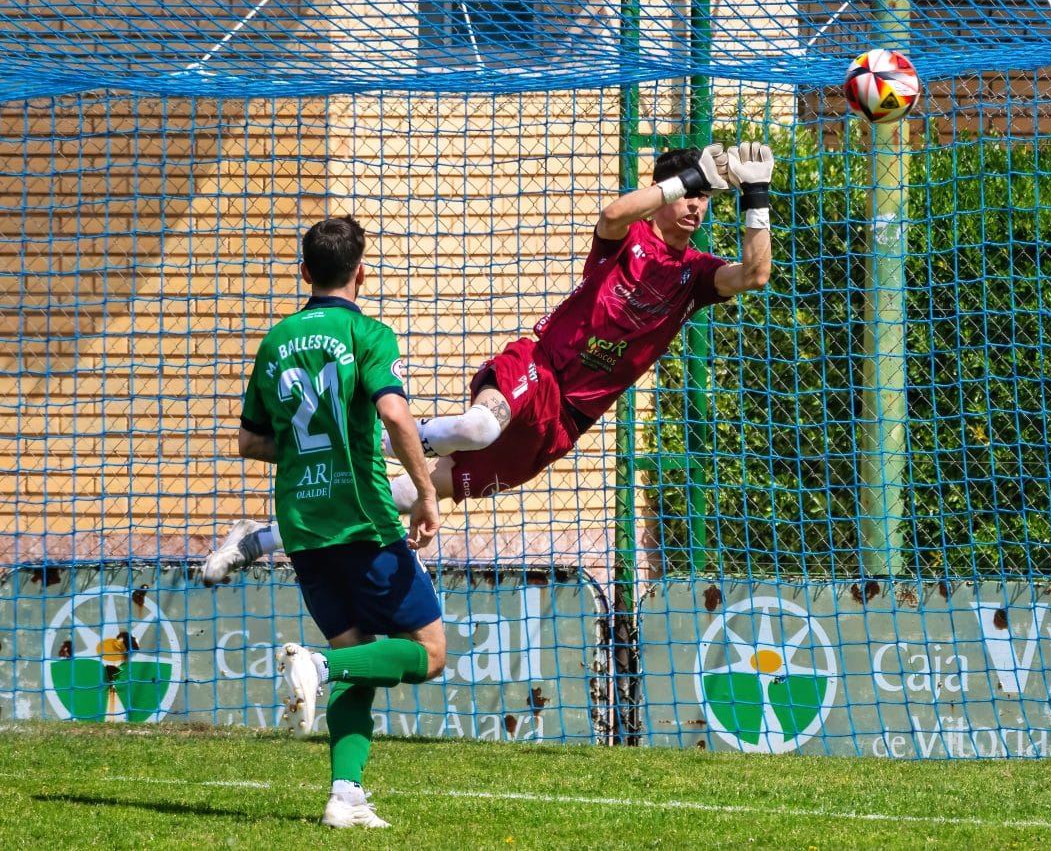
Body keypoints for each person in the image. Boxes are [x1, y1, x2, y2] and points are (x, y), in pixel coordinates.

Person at [203, 140, 773, 582]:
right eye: (686, 195)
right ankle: (366, 442)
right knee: (475, 428)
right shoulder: (629, 240)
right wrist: (691, 174)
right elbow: (613, 211)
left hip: (567, 423)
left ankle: (256, 539)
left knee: (407, 494)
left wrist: (756, 195)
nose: (695, 206)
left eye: (703, 198)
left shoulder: (694, 274)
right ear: (665, 194)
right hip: (540, 366)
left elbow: (753, 274)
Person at [235, 215, 446, 829]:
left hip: (302, 526)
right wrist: (426, 494)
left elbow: (250, 441)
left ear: (304, 272)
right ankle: (319, 669)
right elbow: (397, 417)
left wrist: (308, 450)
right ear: (361, 271)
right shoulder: (368, 334)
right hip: (362, 521)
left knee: (359, 655)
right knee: (428, 654)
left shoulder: (276, 341)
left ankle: (344, 795)